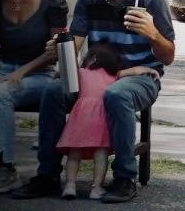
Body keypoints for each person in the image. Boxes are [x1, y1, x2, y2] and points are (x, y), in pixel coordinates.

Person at [12, 0, 175, 203]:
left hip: (140, 76)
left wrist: (153, 34)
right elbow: (75, 41)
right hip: (96, 73)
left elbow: (168, 57)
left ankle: (124, 177)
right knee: (54, 91)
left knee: (117, 95)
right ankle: (48, 174)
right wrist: (60, 48)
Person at [0, 0, 68, 195]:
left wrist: (21, 72)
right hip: (2, 69)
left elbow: (57, 50)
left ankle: (6, 169)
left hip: (40, 73)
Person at [56, 42, 160, 200]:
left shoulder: (81, 72)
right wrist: (149, 69)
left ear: (93, 58)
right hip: (100, 120)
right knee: (101, 154)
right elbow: (135, 70)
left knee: (74, 153)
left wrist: (57, 73)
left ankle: (70, 185)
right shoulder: (114, 75)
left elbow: (66, 73)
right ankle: (96, 188)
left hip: (80, 119)